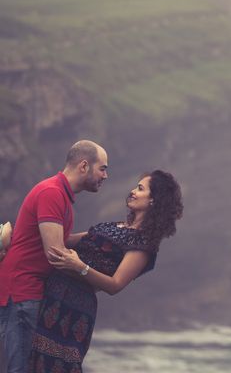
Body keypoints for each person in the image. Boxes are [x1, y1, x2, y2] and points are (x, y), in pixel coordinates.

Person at [28, 170, 183, 373]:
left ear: (154, 200)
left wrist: (80, 267)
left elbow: (115, 285)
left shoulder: (143, 244)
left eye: (140, 188)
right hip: (51, 293)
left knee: (60, 365)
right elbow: (65, 240)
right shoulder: (113, 226)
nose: (133, 191)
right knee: (33, 360)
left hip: (75, 306)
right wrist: (25, 232)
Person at [0, 140, 109, 373]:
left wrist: (99, 236)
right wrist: (92, 277)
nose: (105, 175)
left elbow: (61, 239)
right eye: (102, 168)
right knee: (20, 368)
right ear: (83, 166)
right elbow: (56, 254)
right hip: (22, 291)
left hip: (28, 291)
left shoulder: (60, 194)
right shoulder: (52, 193)